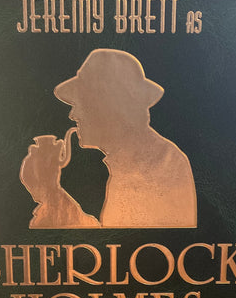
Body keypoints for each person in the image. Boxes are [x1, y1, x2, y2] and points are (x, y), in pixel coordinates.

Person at [54, 48, 197, 228]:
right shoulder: (129, 161)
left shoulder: (161, 165)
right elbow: (115, 237)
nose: (73, 115)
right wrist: (52, 192)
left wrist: (53, 195)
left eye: (81, 104)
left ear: (108, 108)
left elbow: (131, 238)